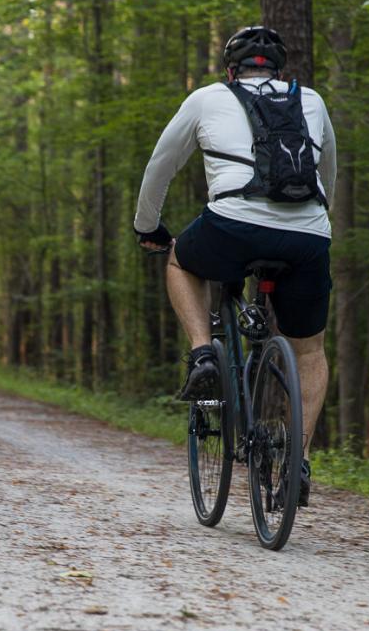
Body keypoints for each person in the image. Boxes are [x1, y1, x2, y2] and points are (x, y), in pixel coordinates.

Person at [133, 25, 336, 505]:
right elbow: (328, 177)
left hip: (232, 227)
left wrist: (148, 228)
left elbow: (160, 165)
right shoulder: (313, 101)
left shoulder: (207, 98)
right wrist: (314, 232)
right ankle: (297, 462)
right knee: (308, 352)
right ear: (280, 71)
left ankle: (204, 353)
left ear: (231, 70)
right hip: (308, 236)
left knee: (182, 260)